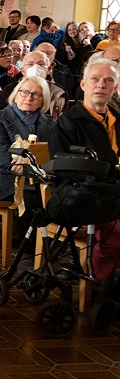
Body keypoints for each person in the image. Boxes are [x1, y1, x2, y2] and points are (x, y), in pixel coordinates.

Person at [49, 59, 120, 281]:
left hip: (115, 193)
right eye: (95, 79)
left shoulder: (117, 120)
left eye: (109, 81)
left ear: (115, 87)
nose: (101, 85)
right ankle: (101, 288)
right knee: (116, 230)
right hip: (86, 195)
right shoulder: (68, 123)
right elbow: (67, 170)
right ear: (83, 85)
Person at [0, 71, 54, 247]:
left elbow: (54, 151)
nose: (28, 97)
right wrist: (25, 167)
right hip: (7, 176)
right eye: (24, 92)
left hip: (43, 176)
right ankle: (28, 253)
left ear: (43, 100)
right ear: (16, 95)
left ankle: (51, 248)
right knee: (31, 198)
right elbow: (0, 152)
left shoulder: (50, 122)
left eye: (35, 94)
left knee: (62, 196)